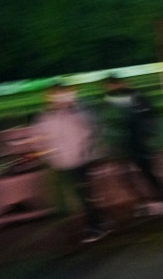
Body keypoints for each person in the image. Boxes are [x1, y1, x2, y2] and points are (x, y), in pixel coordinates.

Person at [32, 84, 110, 243]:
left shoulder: (79, 111)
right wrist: (49, 156)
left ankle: (95, 227)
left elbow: (94, 130)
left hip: (81, 160)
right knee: (79, 195)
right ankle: (98, 222)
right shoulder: (45, 117)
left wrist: (88, 150)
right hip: (62, 163)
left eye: (64, 95)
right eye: (56, 96)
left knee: (84, 194)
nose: (61, 99)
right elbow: (39, 139)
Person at [103, 75, 163, 216]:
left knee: (147, 174)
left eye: (113, 85)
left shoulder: (135, 100)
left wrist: (144, 137)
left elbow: (148, 120)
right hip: (126, 146)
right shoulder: (115, 102)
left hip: (135, 145)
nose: (112, 89)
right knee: (131, 177)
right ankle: (151, 202)